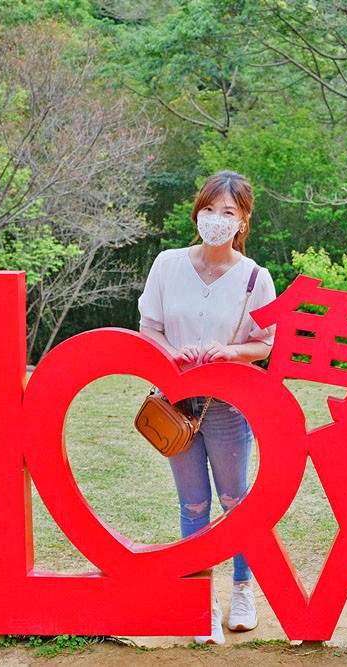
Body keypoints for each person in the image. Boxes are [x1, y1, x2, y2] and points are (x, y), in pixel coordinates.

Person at [137, 171, 276, 645]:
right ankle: (200, 603)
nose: (216, 220)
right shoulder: (167, 263)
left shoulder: (255, 278)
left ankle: (242, 589)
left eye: (228, 213)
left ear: (243, 222)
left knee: (236, 500)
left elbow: (264, 343)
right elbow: (148, 327)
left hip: (229, 403)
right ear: (197, 213)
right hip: (175, 402)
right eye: (209, 210)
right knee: (193, 502)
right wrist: (167, 354)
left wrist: (229, 352)